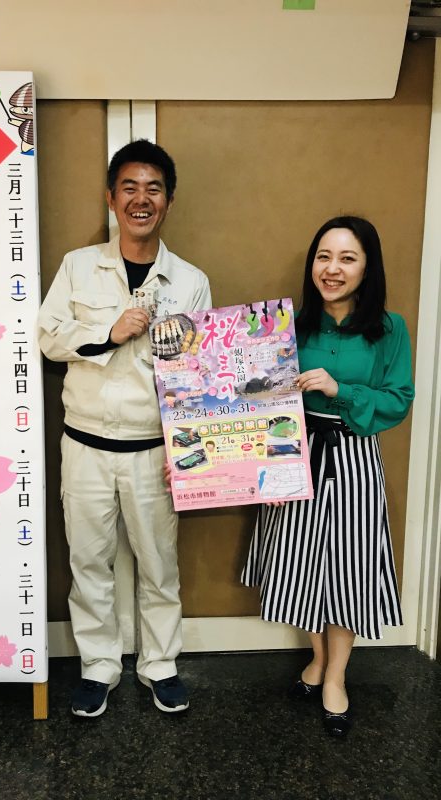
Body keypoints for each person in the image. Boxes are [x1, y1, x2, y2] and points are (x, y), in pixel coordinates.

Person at [38, 139, 211, 717]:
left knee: (159, 564)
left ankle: (160, 664)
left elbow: (200, 377)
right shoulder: (78, 265)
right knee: (89, 562)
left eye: (154, 189)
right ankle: (98, 665)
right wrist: (107, 333)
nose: (142, 199)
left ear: (169, 201)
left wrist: (187, 451)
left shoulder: (189, 280)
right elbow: (47, 336)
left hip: (153, 450)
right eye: (129, 187)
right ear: (111, 198)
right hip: (85, 446)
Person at [241, 216, 414, 737]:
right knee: (299, 565)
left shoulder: (390, 329)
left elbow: (398, 399)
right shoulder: (285, 326)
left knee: (348, 569)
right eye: (323, 256)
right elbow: (253, 399)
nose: (332, 269)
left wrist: (341, 390)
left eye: (347, 258)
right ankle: (316, 659)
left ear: (367, 268)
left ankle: (336, 676)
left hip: (354, 456)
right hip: (293, 452)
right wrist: (263, 470)